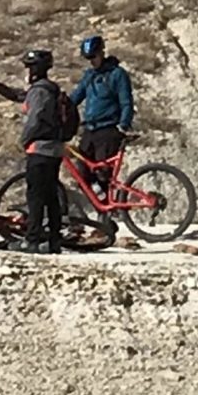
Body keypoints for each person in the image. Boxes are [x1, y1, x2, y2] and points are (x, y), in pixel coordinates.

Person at [0, 49, 73, 252]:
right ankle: (53, 241)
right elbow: (17, 95)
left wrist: (24, 140)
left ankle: (31, 241)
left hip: (39, 150)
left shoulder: (39, 92)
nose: (27, 71)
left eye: (29, 67)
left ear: (36, 70)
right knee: (51, 197)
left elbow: (35, 119)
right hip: (54, 150)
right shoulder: (50, 89)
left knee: (35, 197)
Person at [68, 33, 135, 246]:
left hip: (108, 129)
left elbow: (126, 101)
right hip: (90, 129)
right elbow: (76, 98)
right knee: (81, 171)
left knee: (103, 174)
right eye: (89, 58)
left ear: (101, 53)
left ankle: (104, 223)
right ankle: (102, 206)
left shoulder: (117, 74)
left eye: (94, 56)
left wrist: (123, 125)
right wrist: (61, 106)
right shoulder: (89, 76)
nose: (92, 61)